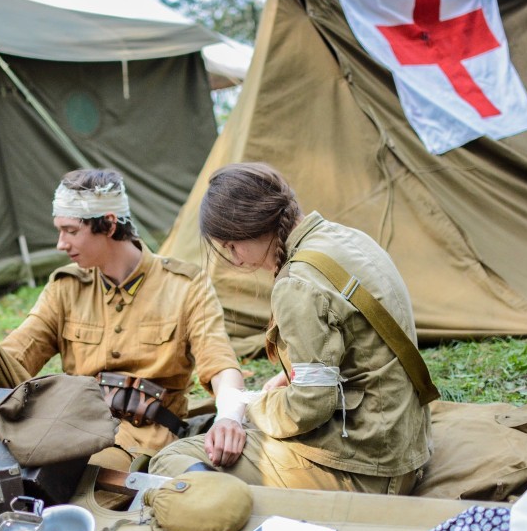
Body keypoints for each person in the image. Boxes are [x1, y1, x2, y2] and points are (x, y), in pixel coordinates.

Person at [0, 169, 246, 471]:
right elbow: (12, 357)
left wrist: (230, 417)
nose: (60, 244)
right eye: (60, 230)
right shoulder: (66, 286)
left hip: (137, 437)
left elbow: (220, 364)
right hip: (64, 421)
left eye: (71, 231)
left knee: (77, 474)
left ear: (109, 224)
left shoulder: (185, 285)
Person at [149, 162, 434, 495]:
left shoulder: (296, 284)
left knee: (172, 459)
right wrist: (293, 376)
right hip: (405, 444)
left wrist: (249, 406)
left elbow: (310, 406)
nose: (232, 258)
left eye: (229, 246)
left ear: (245, 230)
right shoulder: (344, 237)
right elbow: (363, 339)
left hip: (369, 469)